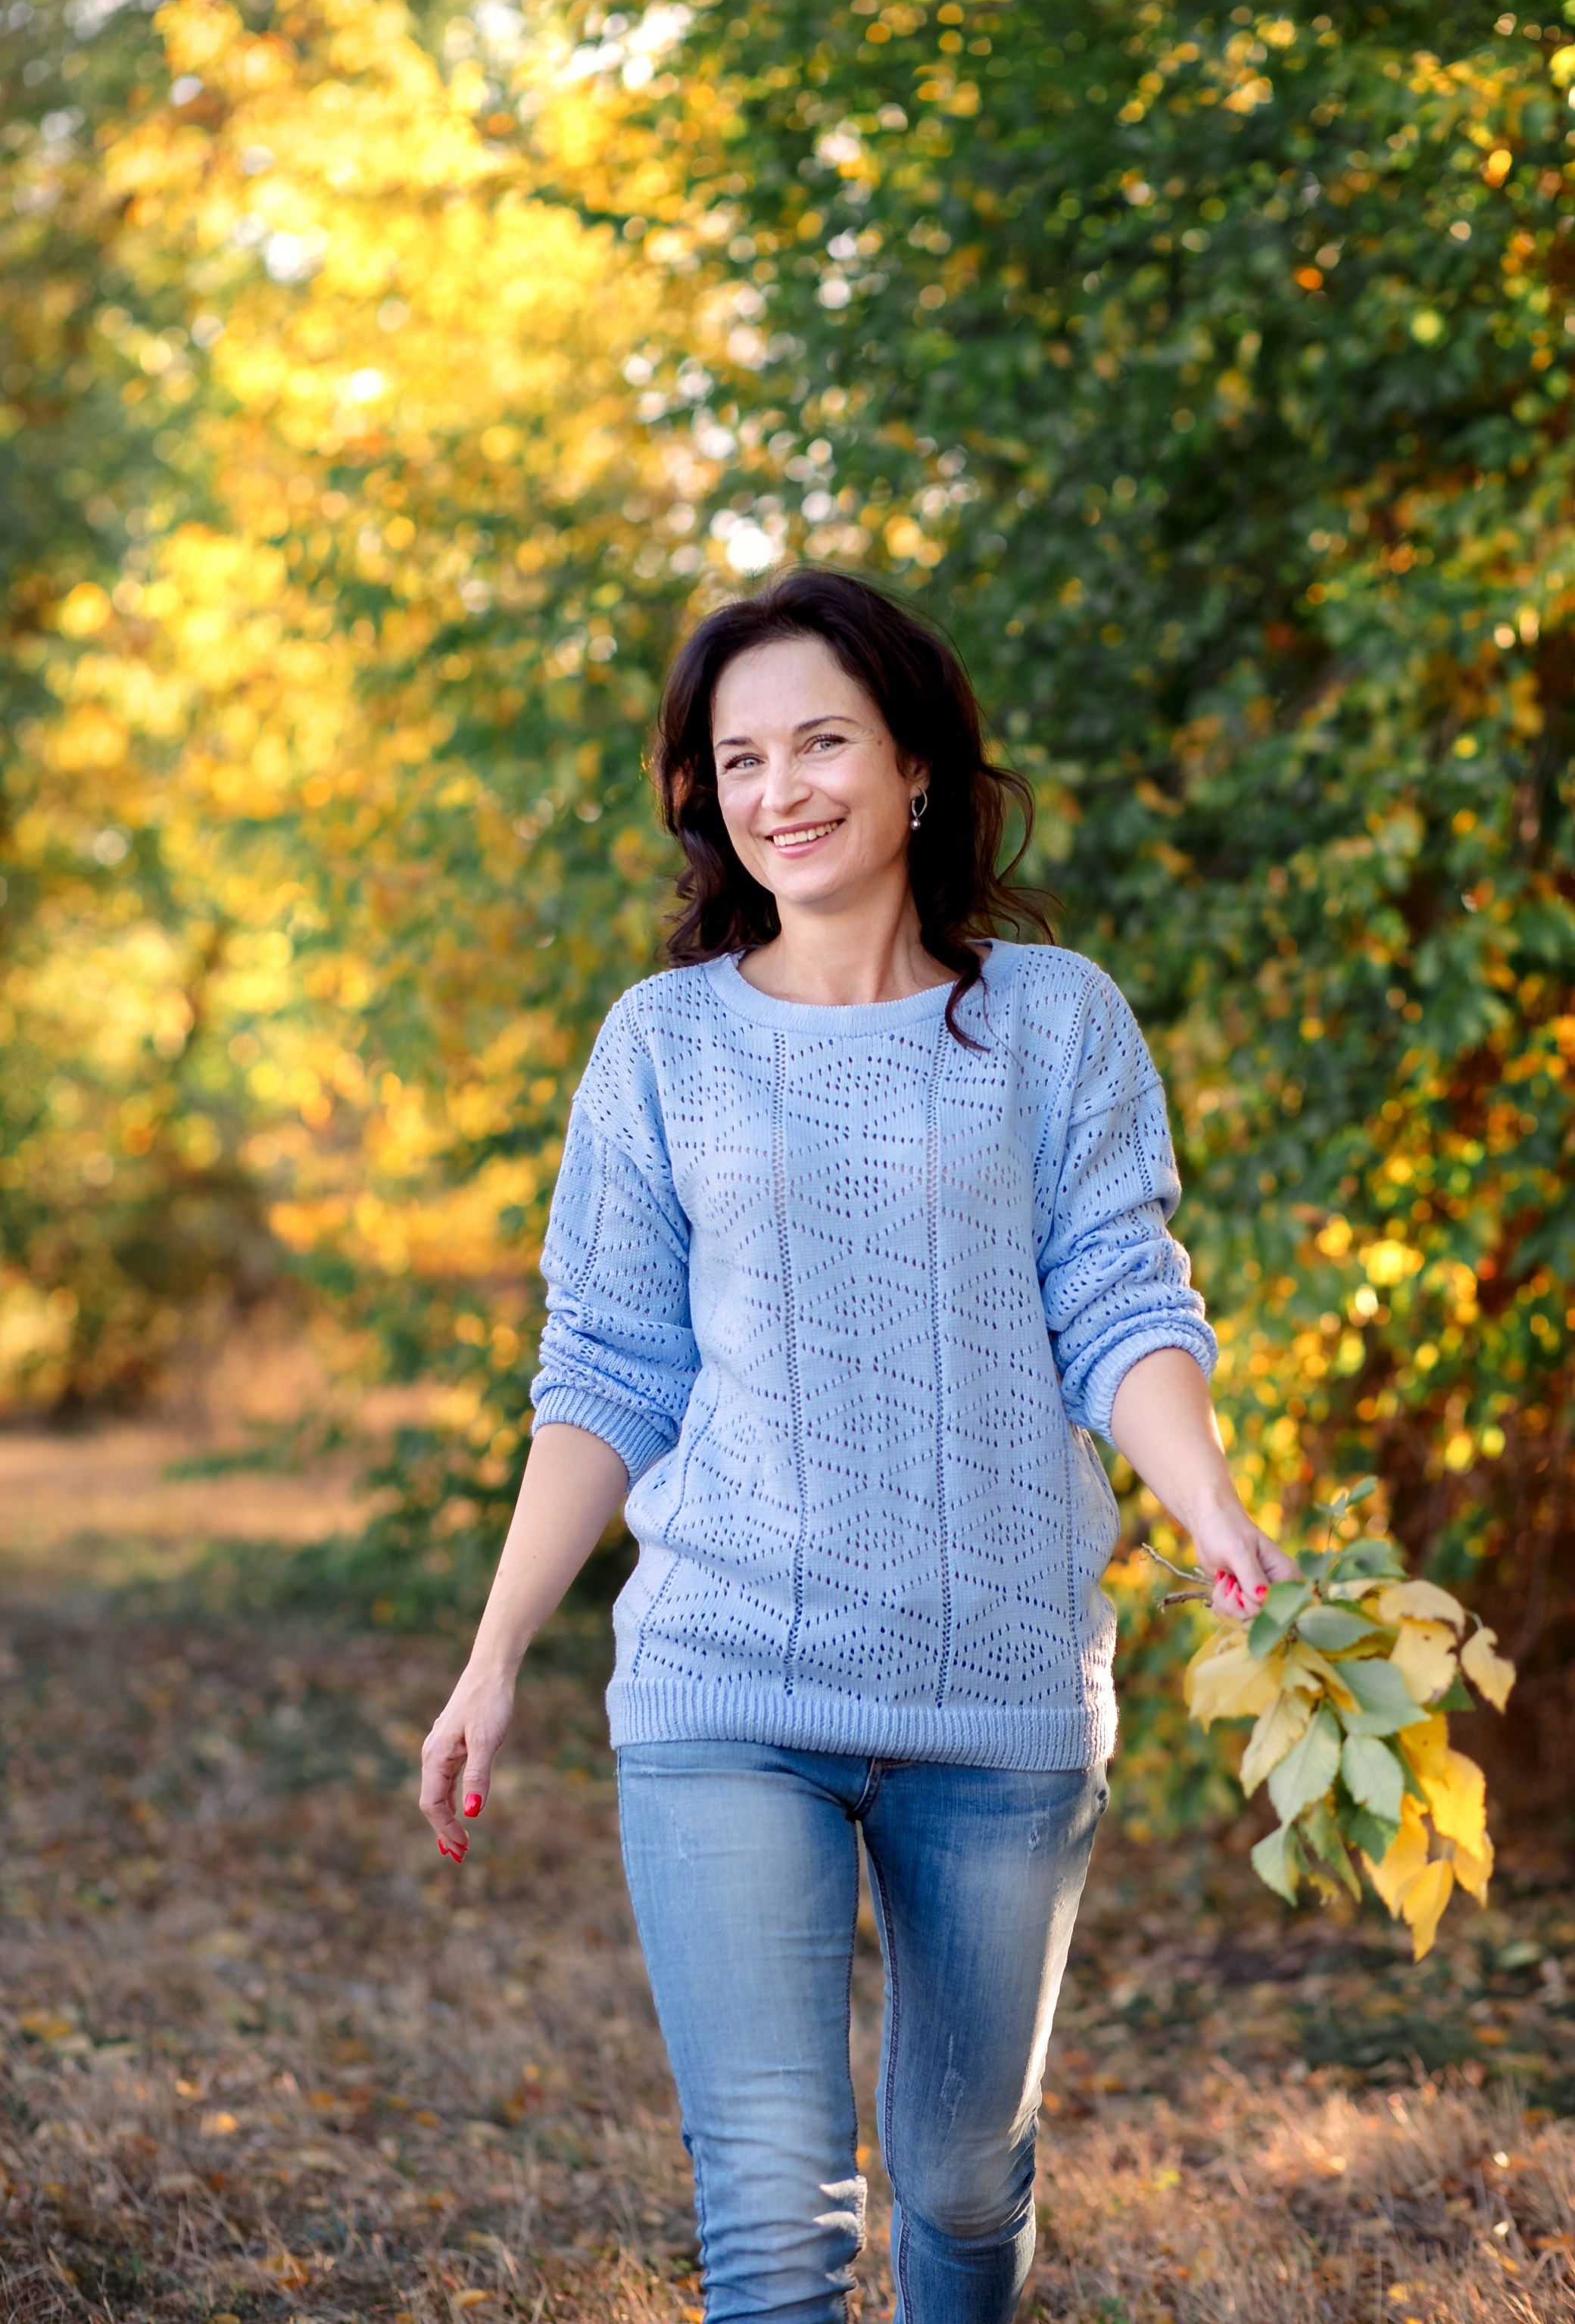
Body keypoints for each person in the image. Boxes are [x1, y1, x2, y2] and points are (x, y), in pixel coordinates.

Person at [419, 569, 1293, 2323]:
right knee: (768, 2207)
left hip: (999, 1685)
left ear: (914, 772)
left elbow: (1119, 1299)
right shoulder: (661, 1047)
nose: (779, 790)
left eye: (821, 741)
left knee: (964, 2181)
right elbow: (605, 1367)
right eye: (738, 758)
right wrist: (496, 1649)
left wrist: (1207, 1500)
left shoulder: (1052, 1022)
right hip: (724, 1675)